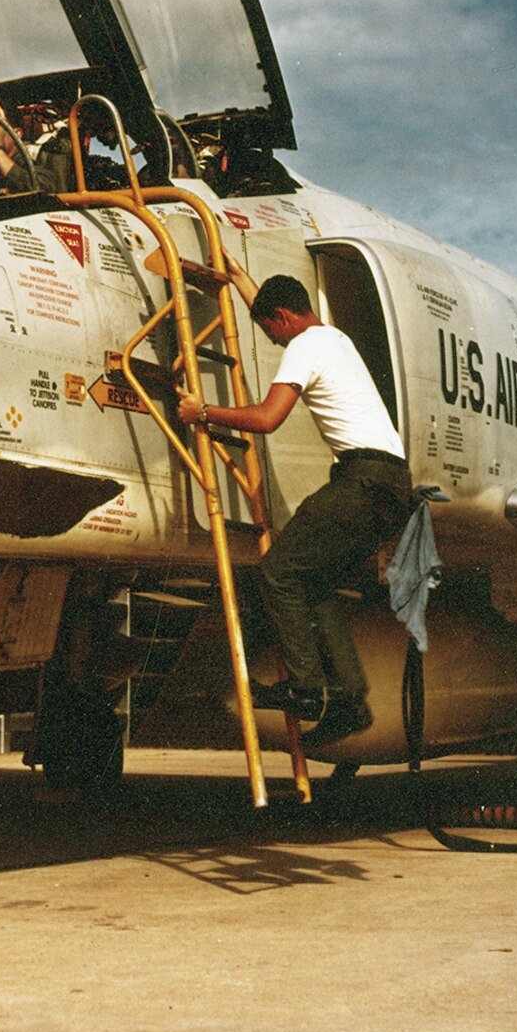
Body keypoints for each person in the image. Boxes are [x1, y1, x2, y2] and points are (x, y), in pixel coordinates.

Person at [174, 269, 409, 749]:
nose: (272, 342)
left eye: (269, 330)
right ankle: (347, 703)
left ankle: (306, 692)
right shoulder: (332, 336)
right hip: (393, 488)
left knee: (277, 574)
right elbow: (269, 303)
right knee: (313, 581)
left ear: (283, 318)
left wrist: (201, 412)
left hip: (361, 480)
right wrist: (238, 277)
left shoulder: (303, 346)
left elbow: (265, 418)